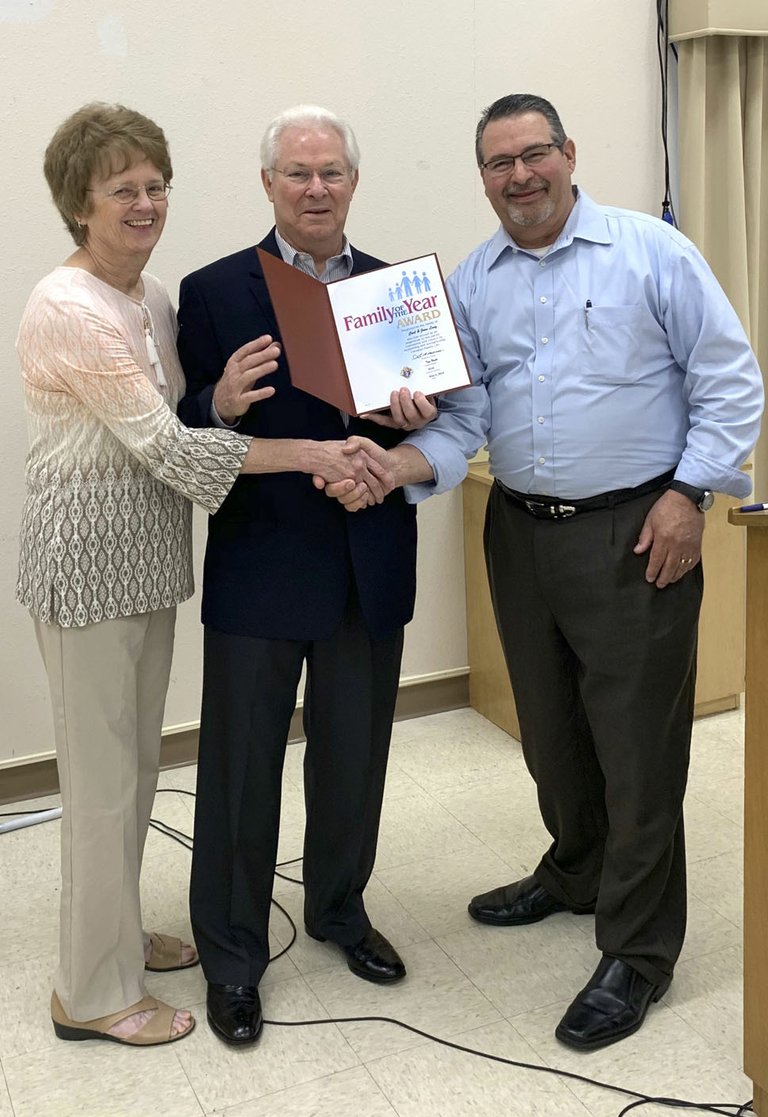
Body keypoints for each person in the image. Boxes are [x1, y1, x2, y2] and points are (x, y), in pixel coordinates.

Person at [325, 93, 764, 1051]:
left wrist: (692, 493)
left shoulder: (651, 252)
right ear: (481, 176)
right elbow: (466, 417)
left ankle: (639, 951)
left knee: (638, 751)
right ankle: (574, 870)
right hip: (520, 534)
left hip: (638, 528)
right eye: (498, 163)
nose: (519, 177)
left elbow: (732, 378)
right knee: (550, 733)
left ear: (569, 153)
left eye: (534, 155)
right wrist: (403, 453)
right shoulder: (474, 280)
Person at [17, 102, 383, 1049]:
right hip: (87, 569)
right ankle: (90, 991)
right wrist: (300, 447)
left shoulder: (147, 299)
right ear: (79, 203)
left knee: (134, 772)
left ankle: (116, 938)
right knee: (103, 783)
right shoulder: (73, 305)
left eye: (153, 186)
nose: (143, 204)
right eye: (120, 190)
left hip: (146, 568)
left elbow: (180, 421)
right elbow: (175, 445)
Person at [177, 104, 435, 1047]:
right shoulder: (212, 291)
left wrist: (410, 418)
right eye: (297, 172)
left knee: (355, 756)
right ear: (268, 185)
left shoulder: (397, 291)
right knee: (240, 769)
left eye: (331, 171)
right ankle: (234, 955)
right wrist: (215, 399)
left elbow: (416, 425)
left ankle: (337, 908)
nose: (315, 187)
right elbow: (183, 430)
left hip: (370, 560)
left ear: (353, 183)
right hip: (261, 563)